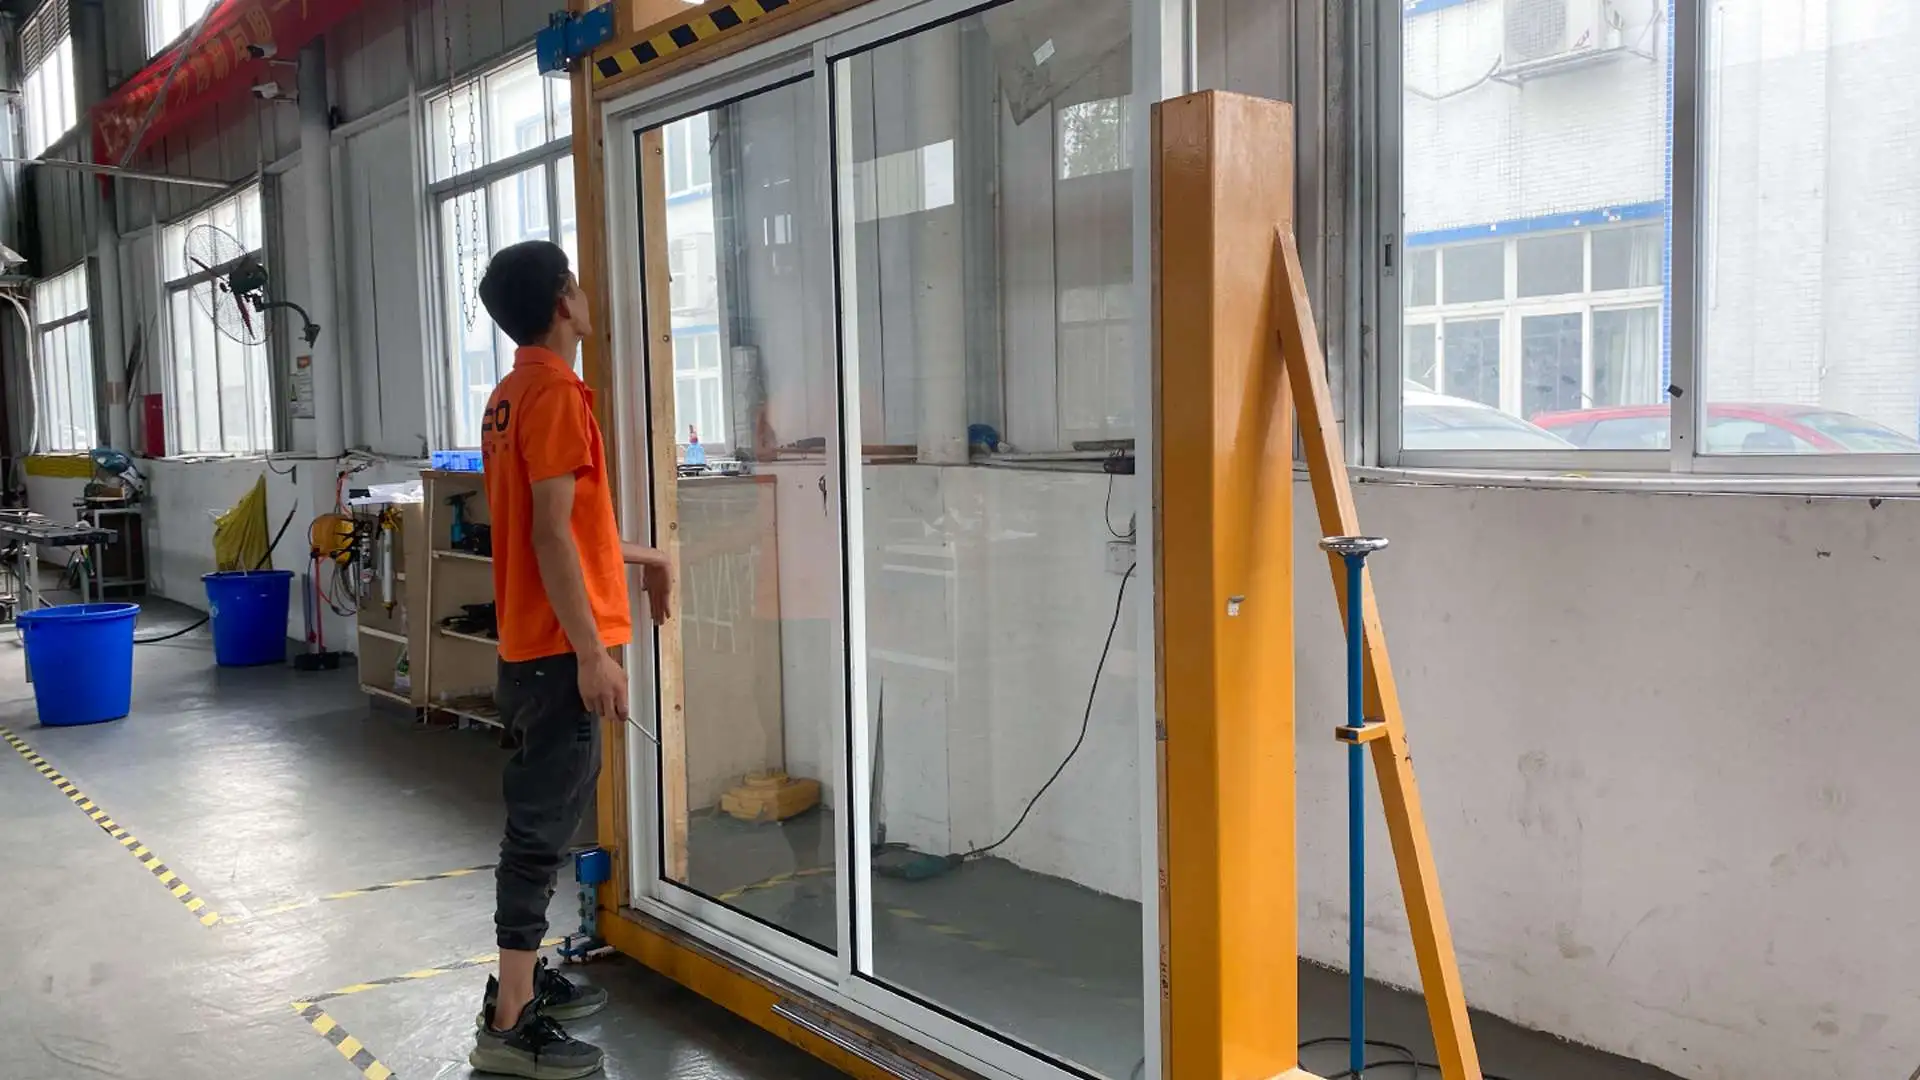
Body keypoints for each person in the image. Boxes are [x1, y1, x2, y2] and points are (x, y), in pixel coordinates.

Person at [468, 239, 670, 1079]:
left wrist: (642, 557)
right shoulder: (552, 395)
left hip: (534, 644)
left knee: (542, 821)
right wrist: (594, 655)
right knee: (540, 832)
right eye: (580, 286)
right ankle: (509, 1024)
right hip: (558, 653)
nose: (590, 297)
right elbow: (549, 535)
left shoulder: (512, 395)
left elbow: (562, 531)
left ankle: (522, 987)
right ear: (563, 301)